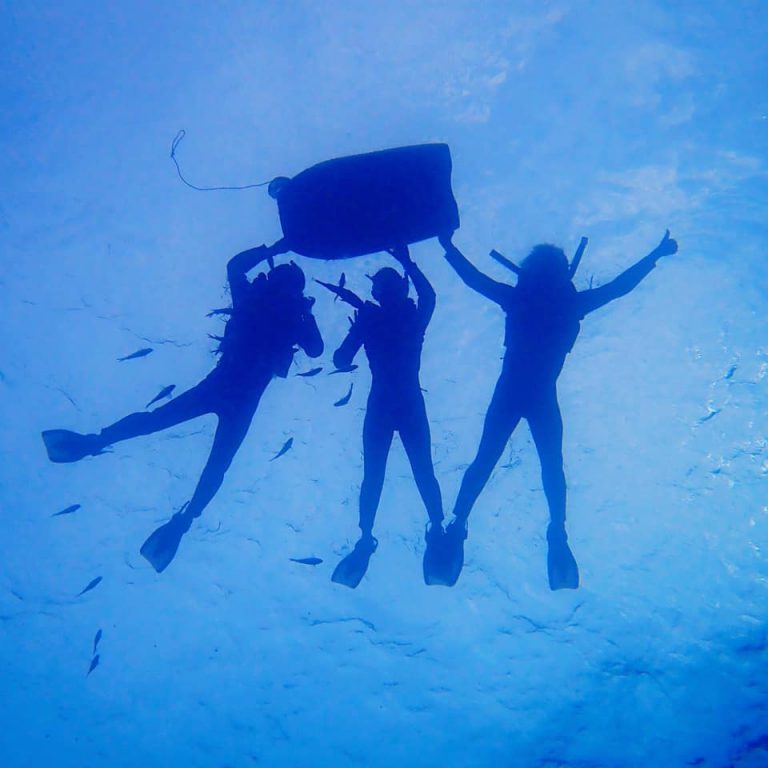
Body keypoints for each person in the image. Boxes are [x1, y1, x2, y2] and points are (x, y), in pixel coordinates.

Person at [42, 242, 323, 572]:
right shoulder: (282, 313)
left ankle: (95, 442)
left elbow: (235, 267)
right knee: (215, 461)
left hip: (219, 387)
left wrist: (273, 249)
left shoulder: (255, 300)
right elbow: (316, 349)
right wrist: (305, 312)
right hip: (241, 399)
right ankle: (183, 518)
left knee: (160, 423)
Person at [426, 230, 679, 590]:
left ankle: (460, 522)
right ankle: (555, 529)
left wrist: (448, 247)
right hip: (541, 396)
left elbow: (474, 279)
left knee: (489, 459)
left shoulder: (520, 298)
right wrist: (655, 254)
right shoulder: (568, 304)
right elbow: (618, 287)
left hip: (511, 393)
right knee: (548, 464)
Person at [323, 245, 444, 588]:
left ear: (376, 292)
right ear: (402, 290)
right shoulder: (412, 318)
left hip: (380, 404)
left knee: (373, 475)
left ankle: (366, 537)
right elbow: (430, 296)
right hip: (410, 401)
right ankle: (436, 527)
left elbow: (340, 360)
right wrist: (407, 261)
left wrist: (358, 329)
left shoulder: (370, 320)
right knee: (423, 469)